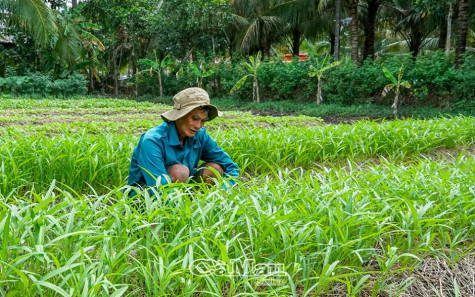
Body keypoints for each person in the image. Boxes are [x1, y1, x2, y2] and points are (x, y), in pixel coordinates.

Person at [127, 87, 239, 195]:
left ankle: (193, 206)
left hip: (181, 192)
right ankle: (177, 211)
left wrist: (225, 191)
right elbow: (159, 187)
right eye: (194, 118)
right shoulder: (153, 140)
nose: (198, 125)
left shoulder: (199, 135)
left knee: (214, 169)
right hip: (147, 195)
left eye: (203, 120)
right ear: (180, 116)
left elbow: (231, 167)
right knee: (180, 172)